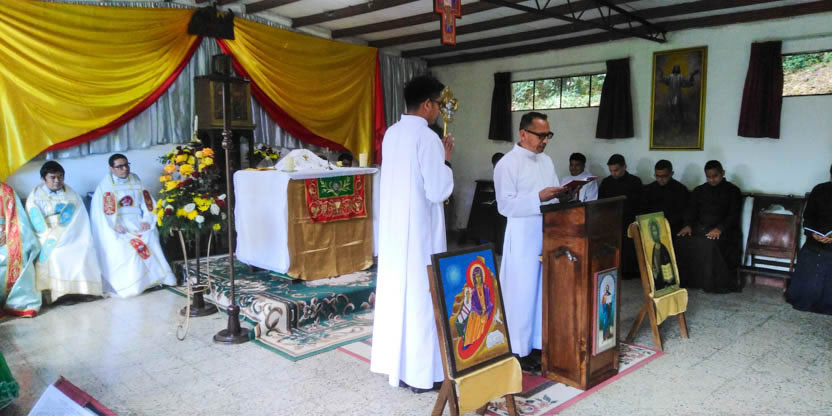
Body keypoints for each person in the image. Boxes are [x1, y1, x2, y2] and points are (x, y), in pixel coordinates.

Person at [370, 75, 454, 394]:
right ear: (428, 104)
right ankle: (421, 374)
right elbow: (437, 190)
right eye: (439, 104)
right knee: (421, 298)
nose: (440, 111)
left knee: (397, 297)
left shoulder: (392, 133)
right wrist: (446, 161)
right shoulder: (428, 138)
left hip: (395, 232)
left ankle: (398, 367)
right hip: (420, 233)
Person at [494, 111, 571, 372]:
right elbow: (505, 206)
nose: (545, 140)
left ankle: (539, 343)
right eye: (541, 135)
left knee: (542, 291)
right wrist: (538, 197)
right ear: (523, 134)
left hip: (548, 233)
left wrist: (564, 194)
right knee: (522, 293)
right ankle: (519, 349)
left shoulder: (546, 161)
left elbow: (553, 193)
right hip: (522, 236)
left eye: (548, 135)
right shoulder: (507, 164)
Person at [90, 154, 176, 297]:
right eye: (120, 167)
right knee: (126, 245)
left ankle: (157, 280)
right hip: (119, 224)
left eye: (126, 165)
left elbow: (147, 203)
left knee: (150, 236)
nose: (125, 169)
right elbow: (103, 212)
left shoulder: (136, 180)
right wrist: (115, 225)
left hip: (138, 221)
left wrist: (146, 220)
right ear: (111, 168)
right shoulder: (105, 186)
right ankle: (135, 284)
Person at [25, 161, 103, 303]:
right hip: (47, 235)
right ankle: (61, 295)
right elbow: (36, 222)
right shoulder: (35, 197)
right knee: (56, 254)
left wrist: (70, 235)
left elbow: (80, 218)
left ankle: (83, 291)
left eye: (60, 176)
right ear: (43, 179)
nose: (57, 180)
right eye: (53, 177)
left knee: (83, 249)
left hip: (71, 233)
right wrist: (51, 235)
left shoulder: (72, 195)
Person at [675, 160, 742, 293]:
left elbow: (733, 215)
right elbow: (691, 211)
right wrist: (688, 225)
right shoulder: (699, 191)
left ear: (723, 173)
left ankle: (712, 284)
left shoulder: (733, 191)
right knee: (681, 241)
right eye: (708, 177)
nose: (711, 180)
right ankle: (689, 281)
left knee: (710, 244)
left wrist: (720, 229)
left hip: (725, 231)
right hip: (701, 228)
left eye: (715, 176)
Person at [785, 165, 832, 315]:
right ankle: (804, 298)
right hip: (816, 238)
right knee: (809, 254)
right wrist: (813, 233)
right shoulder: (819, 190)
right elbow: (809, 217)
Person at [598, 154, 643, 279]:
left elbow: (640, 204)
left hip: (629, 220)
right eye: (611, 170)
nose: (613, 173)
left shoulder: (635, 182)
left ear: (624, 167)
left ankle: (628, 273)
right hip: (611, 221)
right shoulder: (606, 182)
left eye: (616, 170)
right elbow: (601, 203)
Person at [0, 181, 41, 317]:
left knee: (18, 254)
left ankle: (18, 302)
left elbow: (16, 219)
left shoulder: (6, 191)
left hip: (4, 236)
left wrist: (6, 234)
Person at [641, 160, 689, 235]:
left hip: (672, 227)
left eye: (664, 176)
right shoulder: (649, 189)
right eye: (657, 176)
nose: (660, 179)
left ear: (671, 174)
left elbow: (682, 213)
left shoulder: (680, 190)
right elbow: (644, 210)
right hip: (652, 226)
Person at [648, 219, 675, 292]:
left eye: (655, 230)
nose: (654, 233)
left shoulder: (663, 247)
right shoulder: (652, 248)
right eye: (652, 231)